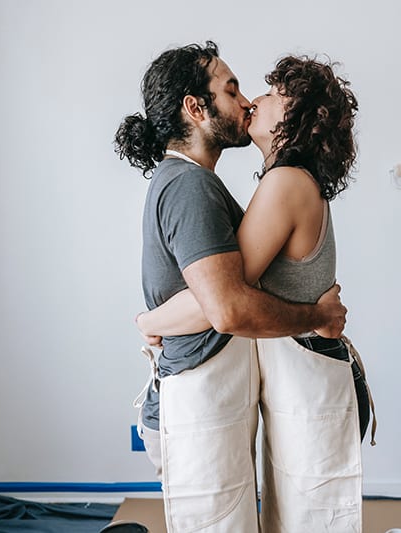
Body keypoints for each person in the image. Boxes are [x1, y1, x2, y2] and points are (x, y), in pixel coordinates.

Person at [113, 42, 348, 533]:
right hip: (195, 394)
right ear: (196, 108)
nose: (249, 102)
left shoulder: (266, 183)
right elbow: (226, 306)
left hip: (228, 388)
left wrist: (149, 321)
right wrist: (149, 320)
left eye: (265, 94)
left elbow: (225, 298)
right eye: (233, 90)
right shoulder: (192, 187)